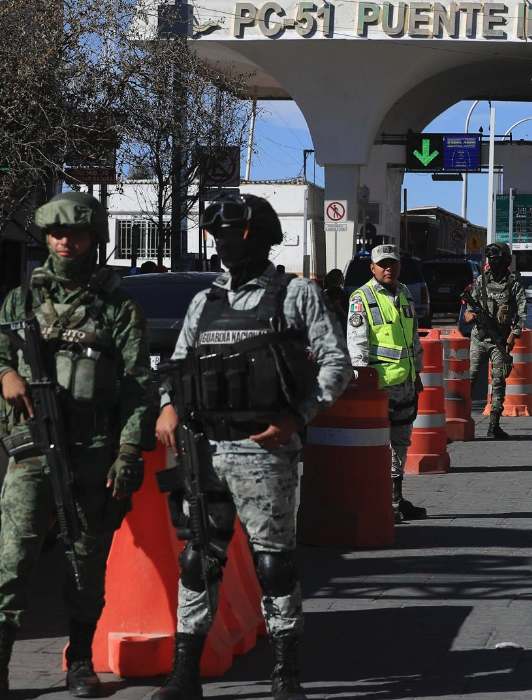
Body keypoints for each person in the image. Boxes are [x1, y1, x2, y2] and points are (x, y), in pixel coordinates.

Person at [152, 194, 351, 700]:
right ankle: (185, 675)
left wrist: (296, 417)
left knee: (273, 563)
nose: (223, 244)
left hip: (265, 452)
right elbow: (176, 368)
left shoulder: (294, 294)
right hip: (204, 452)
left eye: (233, 234)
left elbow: (336, 365)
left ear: (259, 235)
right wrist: (168, 405)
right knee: (198, 559)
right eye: (217, 235)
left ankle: (286, 677)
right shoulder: (205, 301)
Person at [0, 192, 156, 696]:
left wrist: (129, 452)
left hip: (93, 450)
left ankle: (81, 660)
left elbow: (136, 386)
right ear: (45, 237)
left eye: (79, 234)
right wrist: (5, 373)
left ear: (95, 240)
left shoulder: (117, 307)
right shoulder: (20, 301)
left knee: (84, 562)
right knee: (13, 559)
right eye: (57, 234)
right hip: (31, 447)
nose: (67, 242)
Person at [346, 245, 426, 523]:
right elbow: (356, 345)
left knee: (401, 442)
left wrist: (417, 374)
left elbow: (412, 336)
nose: (389, 268)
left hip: (404, 381)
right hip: (377, 387)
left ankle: (395, 498)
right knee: (378, 445)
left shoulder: (404, 293)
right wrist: (362, 385)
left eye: (393, 263)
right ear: (373, 268)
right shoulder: (361, 298)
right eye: (383, 264)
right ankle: (380, 500)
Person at [464, 242, 525, 439]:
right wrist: (470, 315)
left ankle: (494, 425)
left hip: (500, 339)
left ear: (505, 261)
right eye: (490, 259)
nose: (492, 262)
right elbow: (468, 311)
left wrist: (512, 334)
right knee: (469, 380)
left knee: (498, 381)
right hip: (479, 337)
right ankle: (461, 421)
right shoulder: (481, 281)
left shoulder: (513, 283)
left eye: (496, 259)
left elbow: (523, 313)